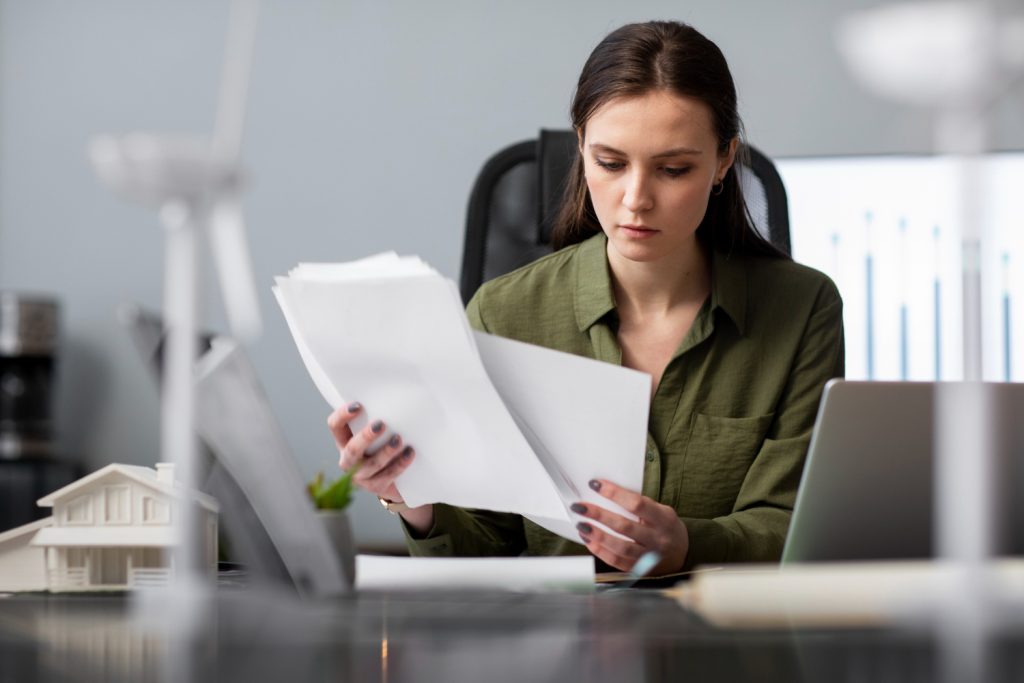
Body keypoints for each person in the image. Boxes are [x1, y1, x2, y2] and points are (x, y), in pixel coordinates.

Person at [327, 21, 844, 575]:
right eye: (610, 163)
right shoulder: (503, 313)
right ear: (581, 148)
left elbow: (793, 520)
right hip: (555, 646)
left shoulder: (803, 308)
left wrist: (687, 545)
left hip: (732, 645)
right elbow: (483, 545)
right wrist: (411, 496)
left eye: (674, 169)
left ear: (723, 161)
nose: (636, 199)